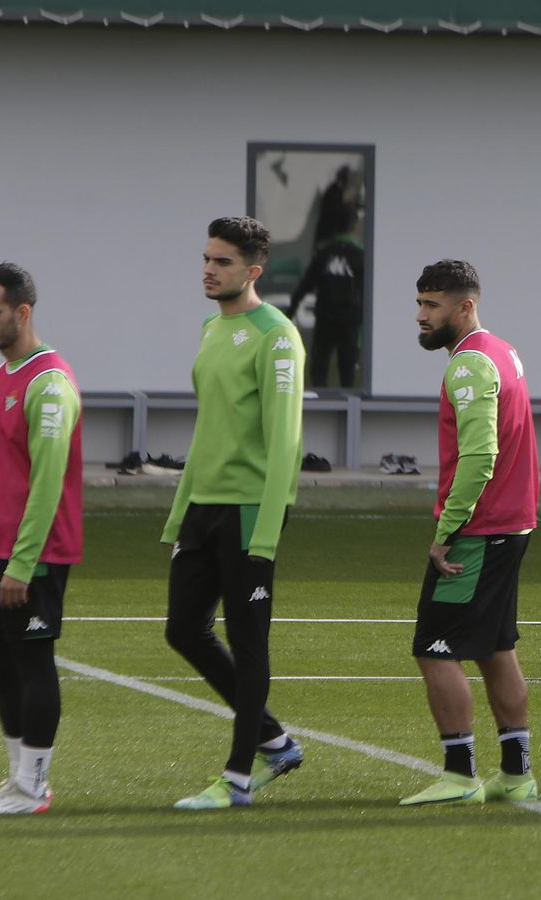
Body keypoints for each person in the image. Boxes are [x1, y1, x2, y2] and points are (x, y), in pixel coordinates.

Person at [163, 217, 307, 810]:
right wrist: (178, 518)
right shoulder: (209, 328)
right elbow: (207, 431)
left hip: (251, 514)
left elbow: (285, 442)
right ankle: (275, 739)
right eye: (205, 258)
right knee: (182, 630)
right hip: (203, 510)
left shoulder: (277, 336)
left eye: (221, 262)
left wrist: (267, 533)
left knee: (249, 647)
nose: (208, 269)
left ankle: (239, 777)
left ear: (252, 271)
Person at [399, 259, 541, 806]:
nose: (420, 316)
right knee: (495, 648)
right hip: (512, 523)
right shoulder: (504, 352)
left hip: (478, 531)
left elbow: (480, 457)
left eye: (432, 305)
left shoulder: (467, 366)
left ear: (465, 306)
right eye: (419, 304)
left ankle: (459, 775)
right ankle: (516, 773)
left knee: (436, 649)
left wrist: (446, 530)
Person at [0, 262, 82, 815]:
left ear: (22, 312)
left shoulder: (48, 384)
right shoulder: (3, 375)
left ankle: (33, 786)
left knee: (32, 661)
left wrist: (21, 563)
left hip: (34, 555)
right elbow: (0, 473)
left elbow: (47, 481)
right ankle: (19, 779)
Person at [286, 167, 364, 388]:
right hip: (349, 320)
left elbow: (304, 285)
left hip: (326, 319)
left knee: (319, 369)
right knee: (347, 372)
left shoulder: (324, 254)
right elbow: (368, 292)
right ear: (354, 228)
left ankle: (318, 405)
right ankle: (349, 409)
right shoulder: (359, 256)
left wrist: (289, 312)